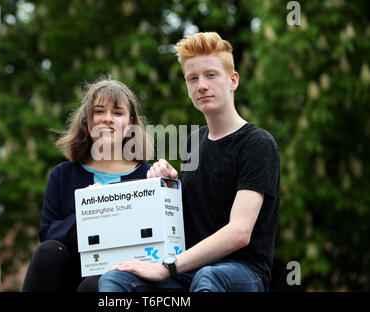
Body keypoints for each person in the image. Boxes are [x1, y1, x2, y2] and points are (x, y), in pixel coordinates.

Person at [98, 32, 280, 292]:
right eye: (192, 78)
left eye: (211, 75)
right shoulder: (193, 142)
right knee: (115, 279)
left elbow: (239, 232)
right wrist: (167, 185)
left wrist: (167, 266)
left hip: (242, 272)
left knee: (209, 277)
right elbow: (190, 219)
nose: (201, 85)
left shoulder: (258, 144)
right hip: (189, 270)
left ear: (233, 80)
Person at [22, 78, 153, 292]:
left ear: (130, 123)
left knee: (96, 285)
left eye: (117, 113)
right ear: (88, 121)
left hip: (126, 278)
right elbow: (47, 235)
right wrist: (88, 212)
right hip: (71, 274)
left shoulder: (148, 175)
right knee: (48, 251)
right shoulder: (62, 175)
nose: (108, 119)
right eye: (99, 112)